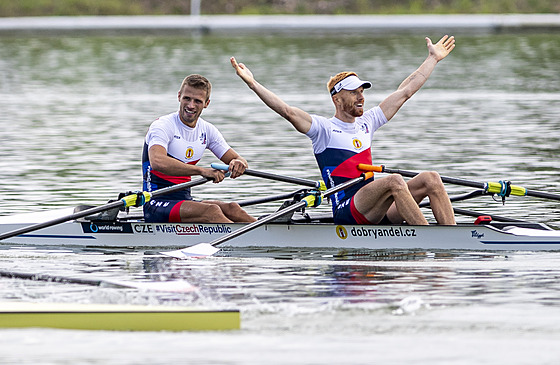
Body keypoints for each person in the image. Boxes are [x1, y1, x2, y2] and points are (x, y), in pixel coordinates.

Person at [231, 35, 457, 226]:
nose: (361, 97)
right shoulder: (323, 129)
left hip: (375, 207)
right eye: (353, 92)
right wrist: (252, 83)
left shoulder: (368, 122)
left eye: (362, 91)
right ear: (336, 99)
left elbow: (405, 91)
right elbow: (287, 111)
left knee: (431, 178)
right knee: (395, 181)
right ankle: (429, 238)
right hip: (346, 209)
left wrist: (432, 59)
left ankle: (454, 238)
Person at [142, 74, 256, 224]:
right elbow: (158, 162)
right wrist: (202, 171)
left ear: (207, 103)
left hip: (184, 201)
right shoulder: (163, 126)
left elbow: (238, 159)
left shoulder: (207, 130)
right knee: (212, 211)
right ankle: (249, 242)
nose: (191, 105)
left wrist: (239, 164)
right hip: (156, 203)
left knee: (232, 208)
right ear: (179, 96)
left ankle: (269, 234)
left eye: (197, 101)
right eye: (187, 98)